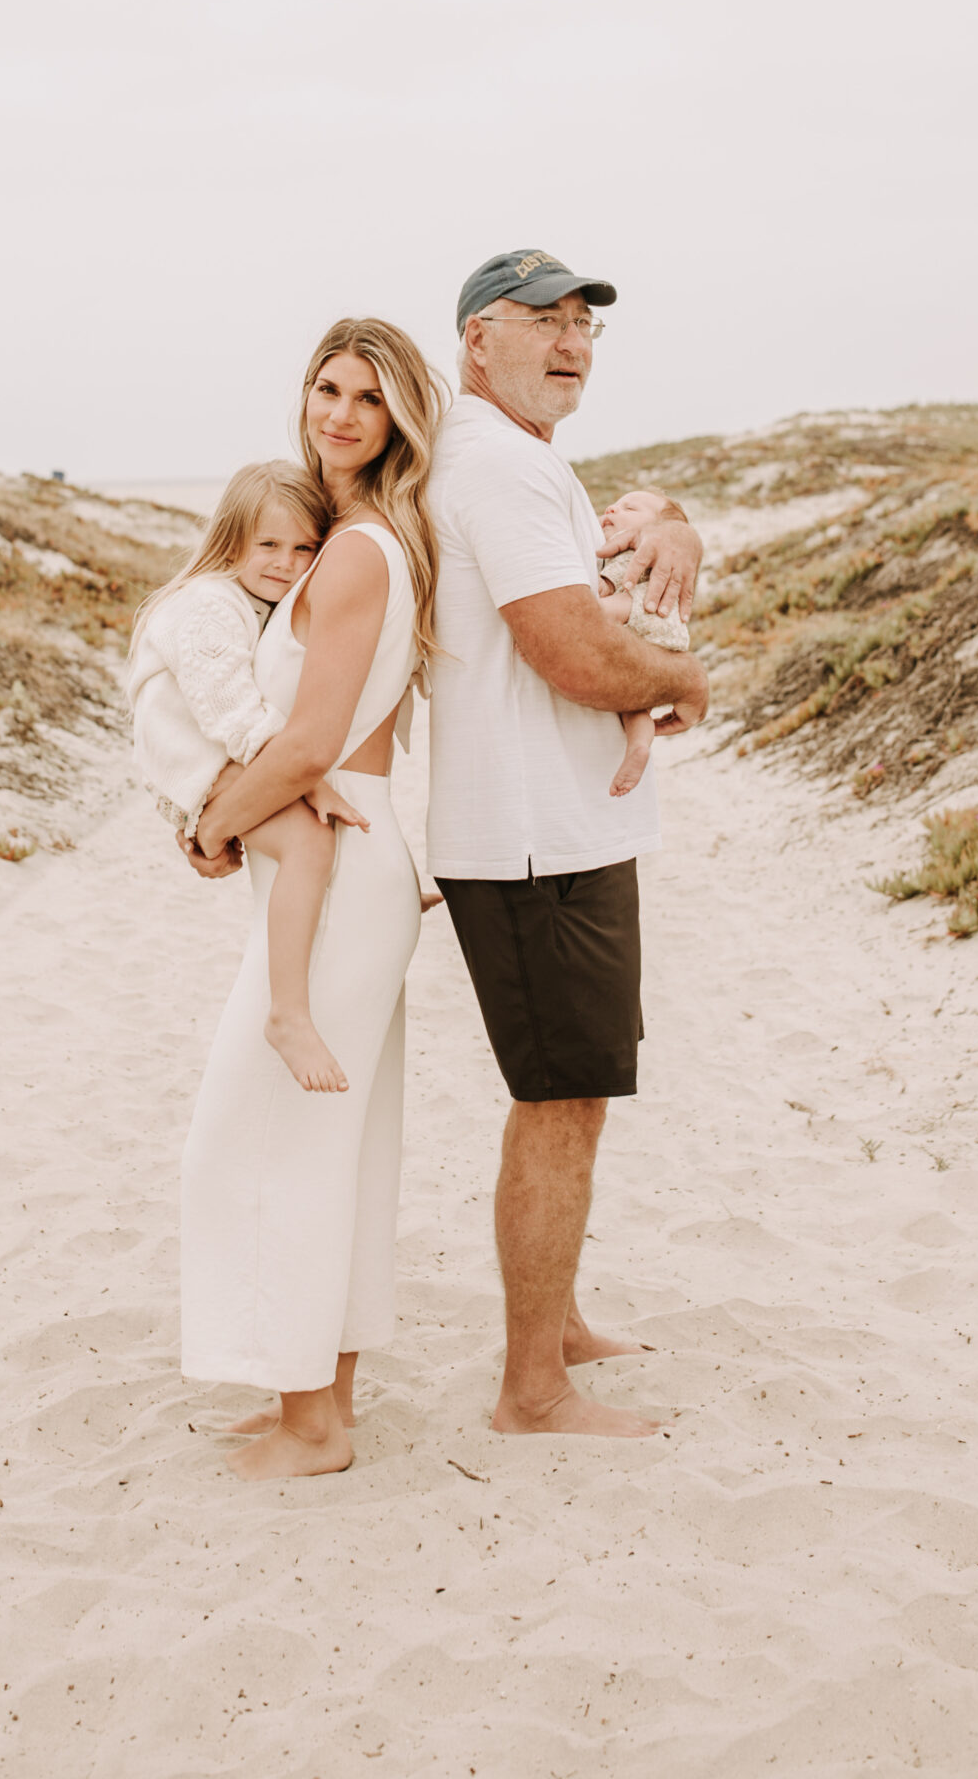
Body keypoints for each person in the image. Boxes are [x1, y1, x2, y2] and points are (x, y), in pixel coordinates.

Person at [426, 248, 708, 1438]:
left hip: (563, 827)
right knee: (558, 1098)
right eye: (540, 320)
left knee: (577, 1096)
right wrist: (684, 675)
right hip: (533, 842)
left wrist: (680, 524)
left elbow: (605, 581)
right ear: (475, 341)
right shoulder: (493, 461)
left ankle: (560, 1324)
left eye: (586, 325)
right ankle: (532, 1389)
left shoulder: (524, 458)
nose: (571, 341)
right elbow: (575, 651)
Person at [177, 318, 447, 1481]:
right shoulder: (368, 536)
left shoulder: (355, 554)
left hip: (343, 850)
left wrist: (212, 820)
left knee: (262, 1131)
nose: (337, 414)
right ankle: (318, 1402)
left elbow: (312, 742)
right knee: (331, 1137)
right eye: (324, 387)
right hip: (352, 853)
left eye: (366, 399)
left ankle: (311, 1425)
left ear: (398, 420)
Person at [126, 460, 369, 1093]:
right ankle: (287, 1013)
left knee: (317, 841)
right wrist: (306, 778)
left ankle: (368, 892)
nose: (285, 563)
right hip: (198, 758)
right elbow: (231, 709)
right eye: (267, 545)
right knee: (308, 840)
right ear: (232, 540)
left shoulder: (251, 601)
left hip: (218, 754)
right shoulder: (207, 605)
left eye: (303, 549)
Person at [597, 487, 699, 799]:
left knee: (598, 609)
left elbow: (608, 585)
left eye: (630, 507)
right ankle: (639, 745)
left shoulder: (632, 550)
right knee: (633, 702)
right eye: (614, 503)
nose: (613, 508)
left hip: (642, 611)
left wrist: (593, 591)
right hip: (662, 633)